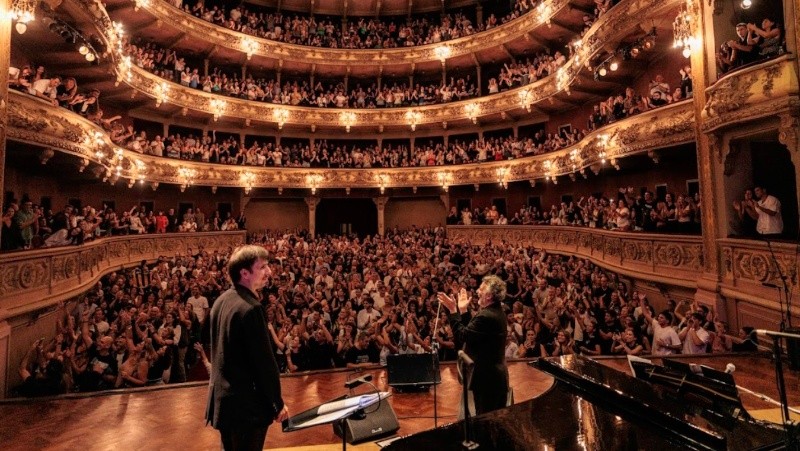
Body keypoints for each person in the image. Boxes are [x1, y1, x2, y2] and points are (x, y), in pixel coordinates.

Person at [206, 245, 289, 451]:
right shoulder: (251, 308)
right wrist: (276, 403)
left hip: (224, 403)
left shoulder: (221, 301)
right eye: (262, 267)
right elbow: (263, 362)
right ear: (244, 273)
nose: (269, 272)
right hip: (246, 407)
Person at [437, 275, 508, 415]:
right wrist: (463, 311)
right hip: (493, 377)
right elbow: (474, 333)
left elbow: (463, 336)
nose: (477, 291)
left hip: (487, 379)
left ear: (489, 295)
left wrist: (453, 311)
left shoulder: (487, 316)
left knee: (486, 420)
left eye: (481, 289)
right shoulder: (494, 311)